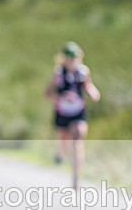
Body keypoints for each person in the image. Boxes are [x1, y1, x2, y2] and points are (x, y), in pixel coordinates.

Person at [43, 41, 100, 190]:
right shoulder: (58, 73)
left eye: (75, 56)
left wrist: (93, 93)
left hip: (78, 111)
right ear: (63, 58)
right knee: (63, 139)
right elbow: (47, 94)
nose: (72, 60)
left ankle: (76, 177)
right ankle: (60, 153)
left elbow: (88, 87)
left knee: (78, 137)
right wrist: (60, 98)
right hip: (62, 111)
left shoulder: (83, 72)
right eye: (69, 57)